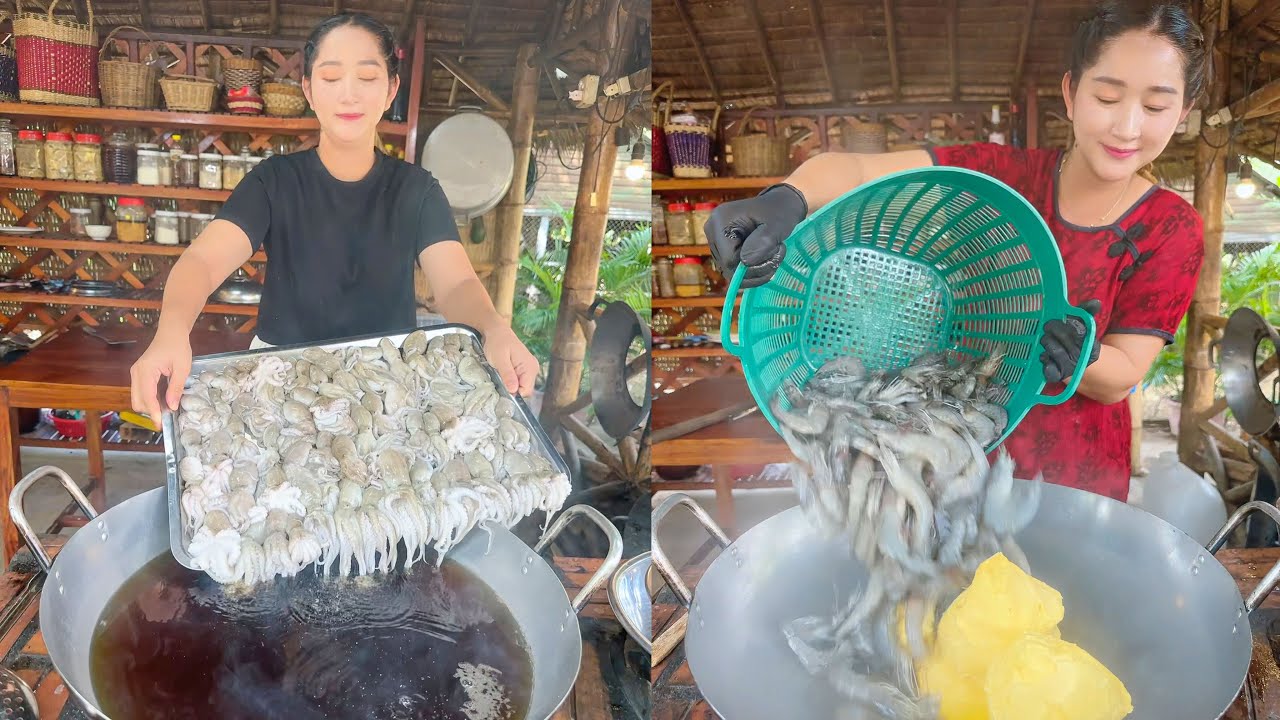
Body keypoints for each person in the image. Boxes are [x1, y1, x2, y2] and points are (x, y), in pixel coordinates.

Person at [705, 0, 1207, 501]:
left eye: (1156, 107)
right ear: (1071, 94)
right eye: (1107, 97)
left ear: (1182, 114)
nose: (1127, 127)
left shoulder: (1171, 227)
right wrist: (784, 199)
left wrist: (1083, 356)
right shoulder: (999, 176)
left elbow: (1123, 376)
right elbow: (854, 170)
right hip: (949, 455)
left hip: (1073, 479)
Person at [130, 12, 539, 422]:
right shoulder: (273, 182)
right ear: (308, 89)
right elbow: (202, 261)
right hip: (281, 384)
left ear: (391, 88)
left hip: (384, 388)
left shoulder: (417, 191)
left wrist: (494, 327)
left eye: (367, 77)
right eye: (330, 78)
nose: (349, 95)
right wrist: (170, 331)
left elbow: (458, 284)